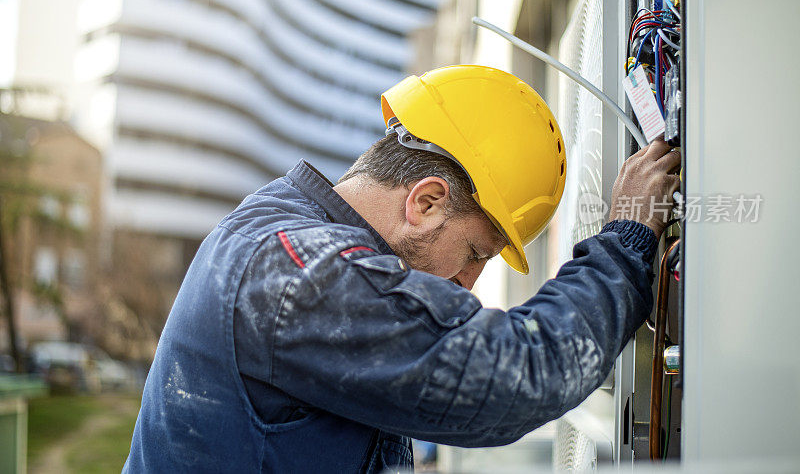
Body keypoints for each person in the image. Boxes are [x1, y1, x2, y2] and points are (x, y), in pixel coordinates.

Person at [123, 66, 680, 472]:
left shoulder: (281, 231)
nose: (470, 283)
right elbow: (522, 373)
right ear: (426, 203)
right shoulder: (301, 275)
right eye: (475, 254)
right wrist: (628, 238)